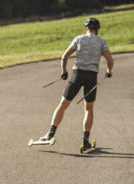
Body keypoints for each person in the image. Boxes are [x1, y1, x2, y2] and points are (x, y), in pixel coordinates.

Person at [36, 17, 114, 151]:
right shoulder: (101, 42)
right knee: (89, 108)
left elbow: (64, 56)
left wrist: (64, 72)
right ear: (97, 30)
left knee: (63, 104)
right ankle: (85, 140)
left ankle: (50, 133)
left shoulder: (79, 39)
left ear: (86, 29)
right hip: (91, 77)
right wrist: (108, 71)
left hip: (77, 74)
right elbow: (110, 60)